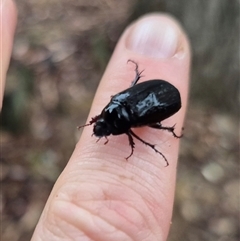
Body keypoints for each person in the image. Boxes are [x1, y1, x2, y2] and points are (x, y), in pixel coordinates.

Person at [2, 1, 190, 240]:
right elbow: (118, 116)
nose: (102, 128)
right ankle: (168, 131)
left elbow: (130, 129)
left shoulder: (124, 116)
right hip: (150, 97)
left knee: (151, 126)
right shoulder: (117, 106)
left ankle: (168, 132)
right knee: (139, 115)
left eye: (100, 126)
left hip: (163, 98)